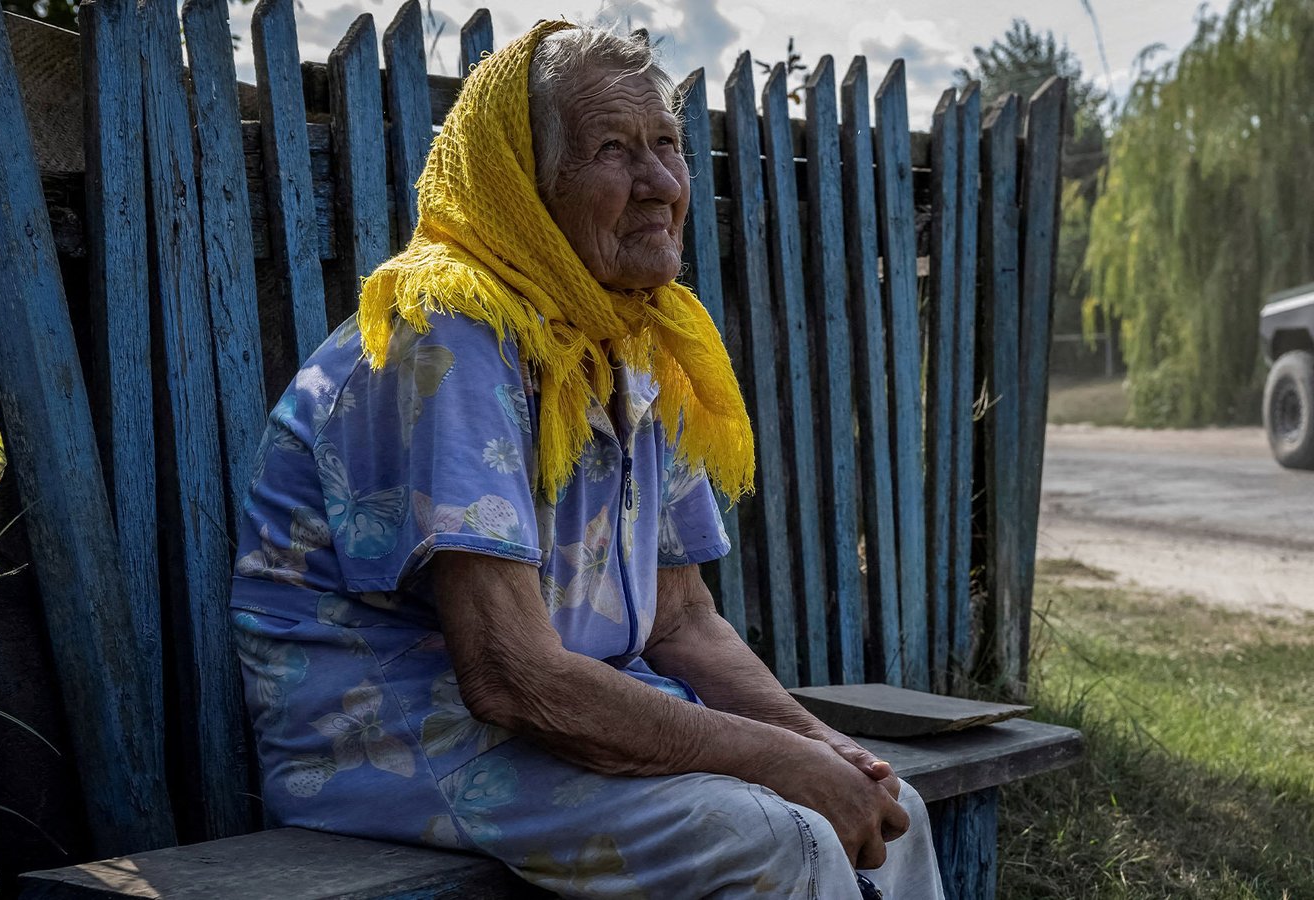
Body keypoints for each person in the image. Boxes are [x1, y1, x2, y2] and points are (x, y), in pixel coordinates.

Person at [230, 21, 946, 898]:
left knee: (888, 803)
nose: (660, 185)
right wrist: (777, 761)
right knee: (771, 837)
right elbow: (510, 677)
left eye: (668, 146)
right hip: (398, 738)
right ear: (527, 186)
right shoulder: (444, 334)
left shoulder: (627, 337)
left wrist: (823, 747)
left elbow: (682, 622)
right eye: (614, 149)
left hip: (567, 713)